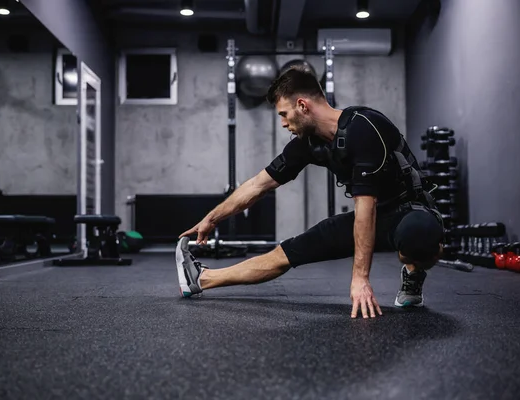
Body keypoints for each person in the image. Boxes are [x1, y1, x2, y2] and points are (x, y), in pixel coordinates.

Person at [175, 67, 444, 319]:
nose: (283, 123)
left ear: (302, 106)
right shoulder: (308, 144)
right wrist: (212, 218)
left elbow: (366, 206)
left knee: (417, 236)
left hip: (410, 211)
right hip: (371, 213)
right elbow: (258, 185)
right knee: (287, 253)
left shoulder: (363, 128)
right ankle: (202, 279)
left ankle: (413, 271)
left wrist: (360, 279)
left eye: (283, 114)